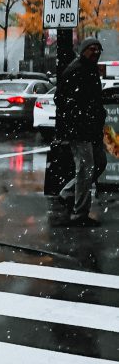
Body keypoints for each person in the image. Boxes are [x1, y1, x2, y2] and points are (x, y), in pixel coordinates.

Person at [55, 37, 107, 228]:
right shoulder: (76, 70)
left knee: (99, 163)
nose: (95, 52)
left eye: (98, 49)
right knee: (86, 168)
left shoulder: (90, 69)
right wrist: (76, 119)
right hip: (80, 130)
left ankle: (68, 193)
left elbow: (92, 100)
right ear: (83, 50)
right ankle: (80, 213)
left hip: (90, 129)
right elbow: (61, 99)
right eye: (92, 49)